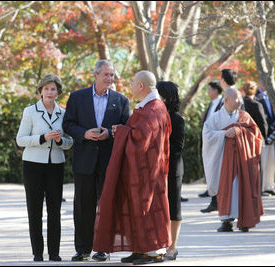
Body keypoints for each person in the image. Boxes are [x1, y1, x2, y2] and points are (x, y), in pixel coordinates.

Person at [93, 70, 172, 264]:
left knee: (148, 206)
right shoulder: (147, 107)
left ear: (142, 86)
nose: (131, 87)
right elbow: (137, 132)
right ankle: (140, 248)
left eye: (133, 83)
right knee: (136, 206)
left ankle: (153, 250)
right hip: (141, 170)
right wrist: (123, 131)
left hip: (149, 171)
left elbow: (141, 138)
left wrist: (121, 131)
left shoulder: (154, 109)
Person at [62, 60, 130, 262]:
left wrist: (109, 133)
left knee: (106, 205)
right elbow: (68, 124)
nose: (109, 78)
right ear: (96, 75)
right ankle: (82, 249)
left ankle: (103, 248)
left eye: (112, 75)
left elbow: (126, 128)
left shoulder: (121, 100)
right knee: (83, 205)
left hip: (109, 161)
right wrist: (84, 133)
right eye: (106, 74)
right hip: (84, 160)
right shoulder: (77, 97)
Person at [16, 74, 74, 262]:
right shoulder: (30, 111)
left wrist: (59, 140)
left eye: (53, 89)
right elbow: (21, 139)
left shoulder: (64, 114)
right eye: (46, 88)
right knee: (34, 209)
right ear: (40, 91)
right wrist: (42, 138)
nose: (50, 92)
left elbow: (69, 143)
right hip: (32, 165)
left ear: (58, 92)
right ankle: (38, 253)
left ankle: (55, 253)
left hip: (55, 166)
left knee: (54, 210)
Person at [203, 88, 264, 232]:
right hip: (224, 161)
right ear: (226, 100)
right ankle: (226, 221)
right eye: (237, 98)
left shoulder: (245, 116)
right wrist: (224, 134)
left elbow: (256, 135)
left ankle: (245, 219)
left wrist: (240, 131)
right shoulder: (215, 118)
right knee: (226, 188)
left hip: (243, 160)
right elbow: (207, 135)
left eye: (240, 98)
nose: (240, 101)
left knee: (242, 187)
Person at [201, 69, 238, 213]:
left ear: (223, 80)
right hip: (218, 141)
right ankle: (216, 201)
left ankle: (224, 205)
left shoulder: (233, 96)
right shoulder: (223, 98)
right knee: (217, 173)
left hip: (229, 144)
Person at [156, 81, 184, 261]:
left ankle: (172, 246)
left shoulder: (177, 119)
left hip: (172, 168)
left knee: (173, 207)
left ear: (164, 97)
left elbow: (177, 147)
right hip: (155, 169)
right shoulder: (153, 116)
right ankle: (158, 243)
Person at [198, 81, 223, 199]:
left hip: (217, 137)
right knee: (208, 163)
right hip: (208, 137)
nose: (208, 92)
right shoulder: (212, 103)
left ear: (215, 90)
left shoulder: (222, 102)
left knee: (215, 164)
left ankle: (214, 189)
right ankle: (210, 187)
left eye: (209, 89)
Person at [255, 80, 275, 196]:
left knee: (271, 161)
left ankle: (269, 185)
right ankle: (262, 187)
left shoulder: (269, 96)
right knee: (263, 161)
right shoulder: (256, 97)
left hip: (271, 132)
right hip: (262, 134)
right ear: (260, 83)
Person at [242, 82, 269, 186]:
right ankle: (256, 187)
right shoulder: (256, 105)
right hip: (254, 139)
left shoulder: (240, 104)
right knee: (256, 164)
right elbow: (263, 123)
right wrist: (264, 138)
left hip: (242, 138)